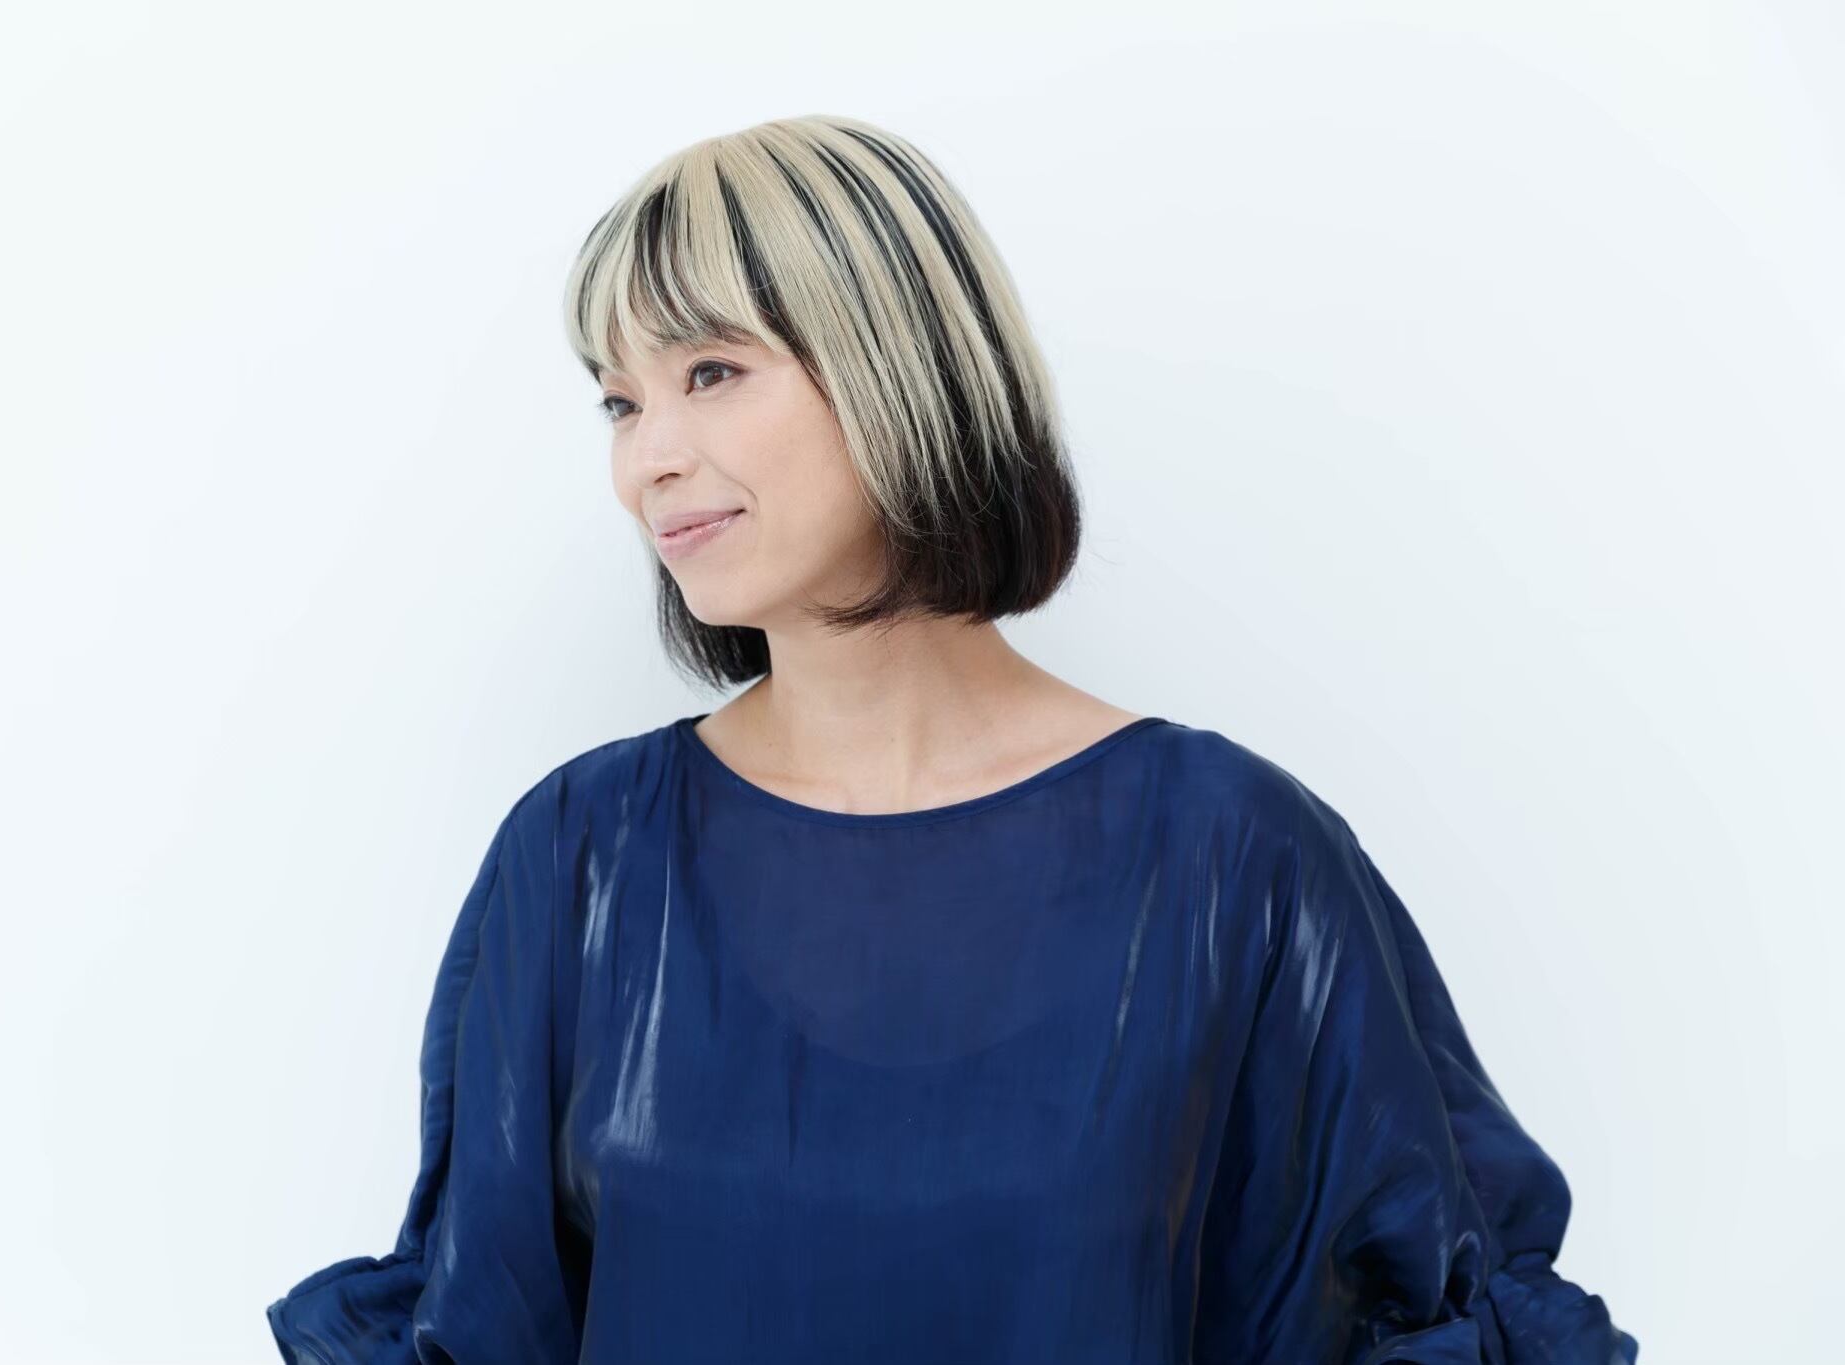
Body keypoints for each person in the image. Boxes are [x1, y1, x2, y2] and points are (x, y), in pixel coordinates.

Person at [265, 114, 1638, 1364]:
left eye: (712, 370)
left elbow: (1415, 1310)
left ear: (898, 370)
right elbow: (486, 1328)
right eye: (620, 401)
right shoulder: (580, 861)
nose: (647, 460)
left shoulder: (1234, 859)